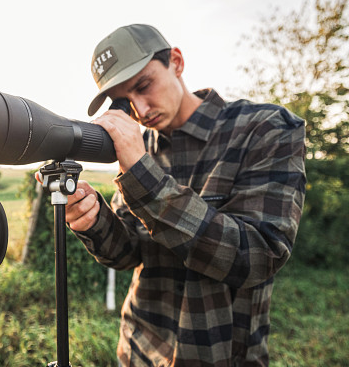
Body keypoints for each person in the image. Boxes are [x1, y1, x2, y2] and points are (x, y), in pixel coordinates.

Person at [66, 24, 306, 366]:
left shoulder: (265, 128)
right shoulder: (141, 149)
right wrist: (93, 220)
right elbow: (128, 254)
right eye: (124, 101)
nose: (140, 109)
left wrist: (142, 177)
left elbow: (259, 256)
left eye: (144, 85)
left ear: (176, 62)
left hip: (219, 355)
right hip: (138, 352)